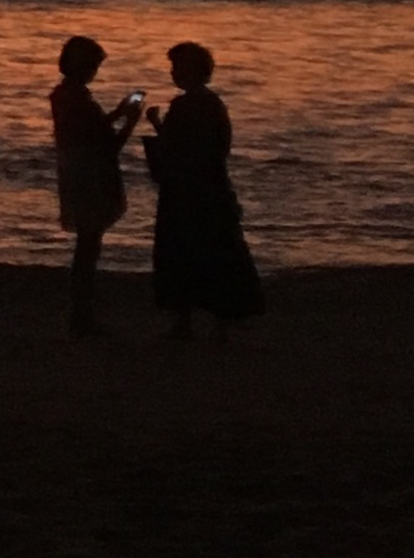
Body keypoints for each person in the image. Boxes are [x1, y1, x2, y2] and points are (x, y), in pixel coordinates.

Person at [143, 41, 260, 340]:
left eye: (179, 67)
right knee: (215, 252)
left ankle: (184, 322)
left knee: (181, 252)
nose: (174, 73)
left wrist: (156, 125)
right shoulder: (213, 104)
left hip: (187, 190)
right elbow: (215, 147)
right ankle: (219, 322)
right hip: (211, 186)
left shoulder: (186, 105)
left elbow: (175, 145)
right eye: (173, 67)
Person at [50, 36, 145, 338]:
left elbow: (92, 132)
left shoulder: (65, 95)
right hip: (89, 176)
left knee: (87, 243)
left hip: (75, 172)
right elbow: (107, 145)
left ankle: (80, 313)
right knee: (88, 245)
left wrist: (117, 114)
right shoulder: (77, 98)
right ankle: (81, 315)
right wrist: (131, 121)